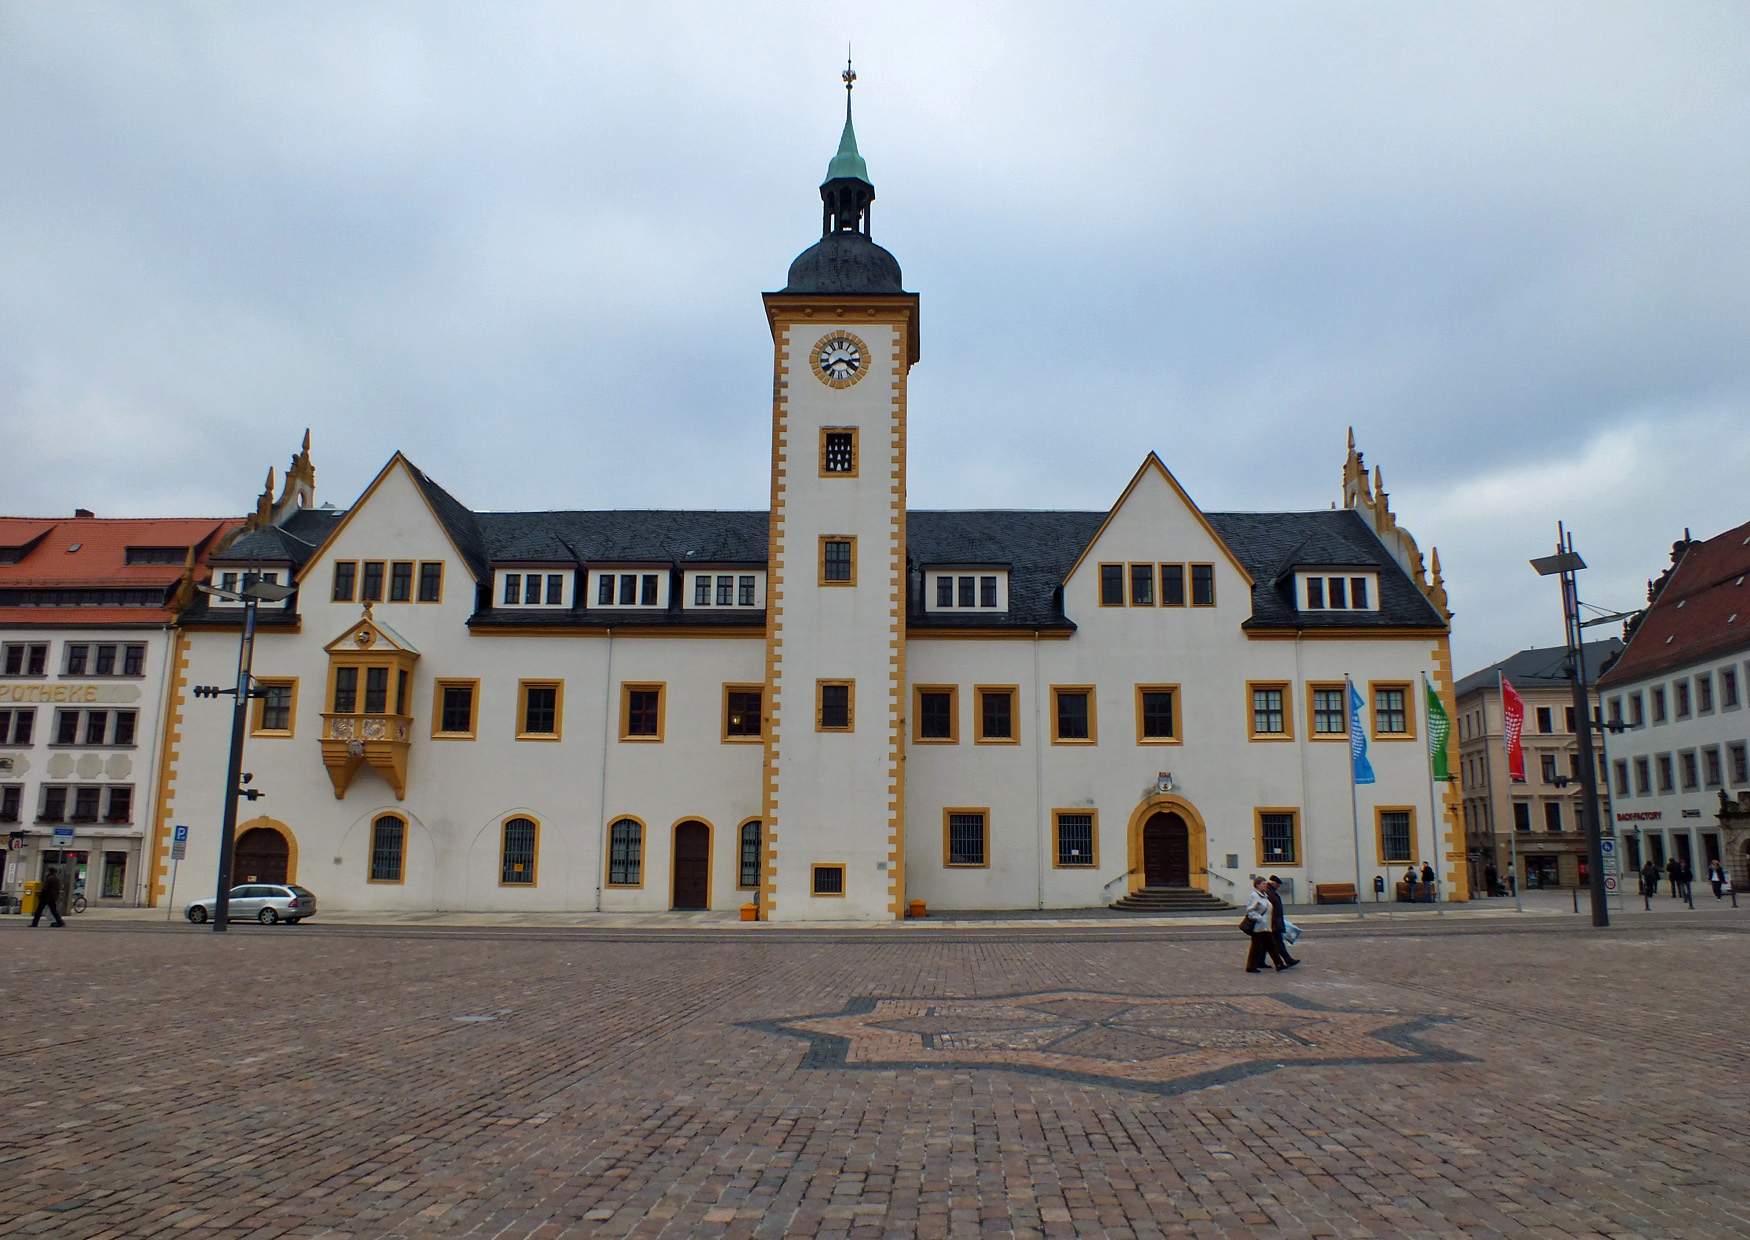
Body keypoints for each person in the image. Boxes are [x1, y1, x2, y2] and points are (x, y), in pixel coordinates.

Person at [1266, 875, 1300, 970]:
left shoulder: (1271, 892)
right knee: (1278, 943)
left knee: (1264, 944)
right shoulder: (1270, 893)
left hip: (1274, 922)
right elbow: (1270, 909)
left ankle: (1258, 962)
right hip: (1273, 923)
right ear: (1274, 884)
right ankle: (1286, 960)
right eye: (1278, 885)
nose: (1278, 887)